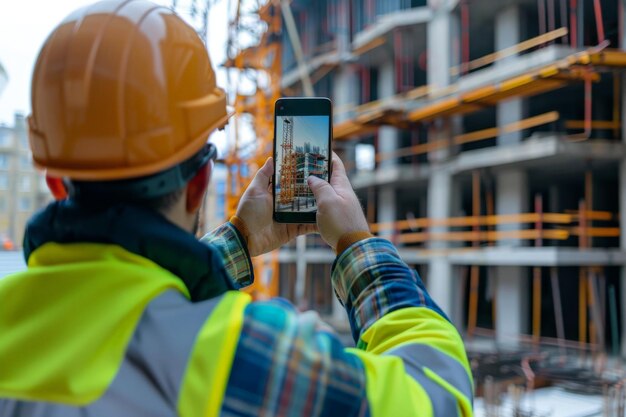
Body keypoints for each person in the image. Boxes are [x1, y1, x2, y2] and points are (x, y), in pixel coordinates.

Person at [0, 1, 473, 416]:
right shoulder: (246, 357)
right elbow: (438, 395)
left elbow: (119, 302)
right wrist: (356, 246)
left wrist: (239, 241)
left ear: (56, 183)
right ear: (199, 183)